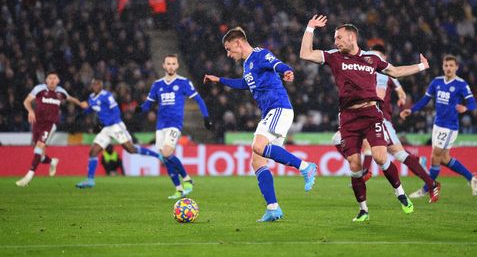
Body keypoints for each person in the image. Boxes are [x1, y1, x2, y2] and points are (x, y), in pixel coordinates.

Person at [300, 15, 429, 222]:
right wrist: (309, 28)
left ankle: (401, 194)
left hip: (371, 114)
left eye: (339, 37)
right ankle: (363, 209)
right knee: (354, 165)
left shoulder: (372, 59)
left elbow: (395, 71)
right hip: (348, 117)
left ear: (351, 37)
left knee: (380, 157)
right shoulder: (334, 56)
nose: (336, 42)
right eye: (335, 38)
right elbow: (305, 54)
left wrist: (421, 67)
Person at [204, 26, 317, 222]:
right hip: (271, 112)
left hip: (279, 108)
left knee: (258, 146)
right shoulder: (247, 64)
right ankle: (273, 208)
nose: (229, 54)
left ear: (238, 43)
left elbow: (277, 64)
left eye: (229, 49)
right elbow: (244, 84)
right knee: (256, 160)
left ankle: (305, 166)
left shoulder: (260, 55)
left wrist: (287, 71)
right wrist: (219, 79)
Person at [332, 45, 441, 204]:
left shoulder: (380, 74)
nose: (371, 59)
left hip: (378, 118)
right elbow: (398, 86)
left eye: (376, 56)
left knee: (399, 154)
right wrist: (401, 96)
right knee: (337, 139)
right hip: (365, 117)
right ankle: (366, 170)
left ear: (383, 57)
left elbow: (381, 95)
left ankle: (430, 183)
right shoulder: (374, 71)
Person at [400, 55, 477, 197]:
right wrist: (411, 110)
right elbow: (425, 100)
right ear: (443, 67)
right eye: (446, 65)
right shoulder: (436, 82)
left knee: (435, 156)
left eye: (451, 65)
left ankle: (427, 188)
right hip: (438, 124)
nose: (448, 68)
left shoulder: (461, 84)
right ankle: (470, 177)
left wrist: (465, 108)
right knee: (444, 158)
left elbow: (473, 103)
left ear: (456, 67)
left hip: (450, 126)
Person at [136, 54, 212, 199]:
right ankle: (178, 189)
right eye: (168, 64)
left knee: (166, 152)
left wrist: (206, 117)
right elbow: (148, 103)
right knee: (166, 157)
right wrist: (140, 109)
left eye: (173, 63)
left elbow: (199, 99)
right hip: (160, 125)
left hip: (174, 124)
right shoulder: (157, 84)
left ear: (177, 66)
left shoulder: (184, 82)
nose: (171, 66)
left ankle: (187, 179)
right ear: (163, 66)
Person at [75, 78, 161, 188]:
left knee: (130, 149)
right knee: (93, 151)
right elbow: (92, 108)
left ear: (101, 85)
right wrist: (81, 114)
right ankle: (90, 180)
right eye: (94, 84)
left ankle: (158, 155)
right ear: (92, 86)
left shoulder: (107, 96)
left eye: (98, 84)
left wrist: (104, 123)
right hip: (106, 128)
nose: (96, 86)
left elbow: (116, 112)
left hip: (115, 125)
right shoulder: (91, 97)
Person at [16, 72, 85, 187]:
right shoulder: (39, 89)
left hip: (49, 125)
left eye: (54, 78)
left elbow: (70, 98)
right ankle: (52, 161)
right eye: (50, 78)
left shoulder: (61, 92)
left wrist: (80, 103)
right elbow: (26, 101)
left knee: (39, 148)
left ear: (58, 80)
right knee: (39, 153)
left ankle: (29, 176)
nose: (52, 80)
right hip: (37, 123)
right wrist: (30, 111)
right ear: (46, 80)